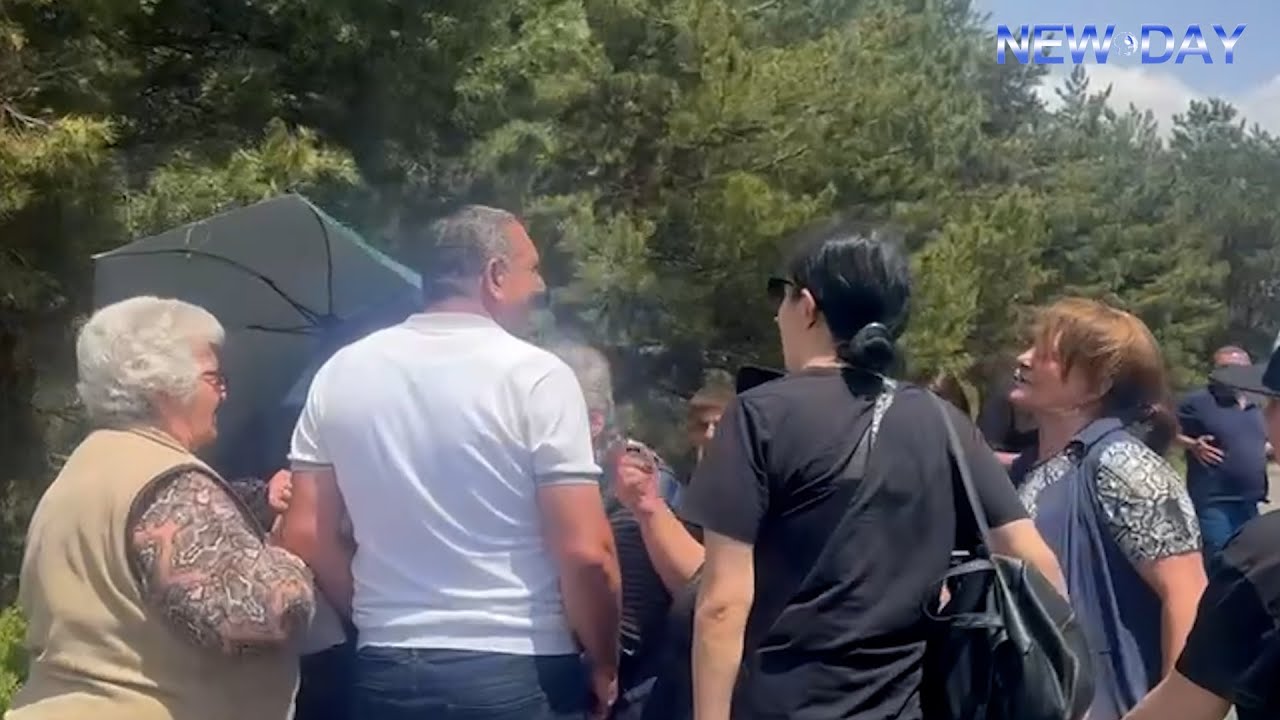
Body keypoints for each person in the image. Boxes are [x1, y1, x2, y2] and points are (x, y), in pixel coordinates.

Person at [679, 218, 1065, 720]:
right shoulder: (943, 422)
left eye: (781, 295)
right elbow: (1036, 562)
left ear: (808, 306)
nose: (777, 314)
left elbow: (723, 605)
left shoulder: (758, 417)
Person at [277, 205, 622, 720]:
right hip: (518, 665)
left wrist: (375, 615)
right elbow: (586, 551)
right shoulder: (537, 377)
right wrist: (605, 660)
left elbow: (305, 531)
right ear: (495, 276)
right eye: (532, 269)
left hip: (386, 668)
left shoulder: (340, 373)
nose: (541, 286)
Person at [8, 296, 314, 720]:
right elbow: (263, 615)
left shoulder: (82, 469)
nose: (224, 393)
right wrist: (289, 551)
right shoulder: (170, 480)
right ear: (164, 386)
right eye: (214, 377)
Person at [1008, 297, 1207, 720]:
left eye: (1046, 354)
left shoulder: (1122, 464)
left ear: (1097, 385)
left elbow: (1187, 595)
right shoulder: (1037, 468)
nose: (1023, 359)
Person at [547, 340, 701, 719]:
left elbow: (632, 627)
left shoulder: (638, 484)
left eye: (542, 413)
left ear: (594, 422)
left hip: (627, 694)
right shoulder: (558, 480)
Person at [1124, 347, 1280, 720]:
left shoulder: (1265, 556)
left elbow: (1180, 711)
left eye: (1273, 403)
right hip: (1216, 502)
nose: (1266, 415)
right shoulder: (1196, 403)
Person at [1176, 346, 1270, 571]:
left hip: (1250, 502)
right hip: (1215, 502)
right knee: (1221, 563)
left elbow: (1258, 442)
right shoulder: (1197, 402)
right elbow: (1164, 429)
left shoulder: (1255, 405)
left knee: (1250, 564)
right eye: (1225, 368)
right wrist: (1192, 445)